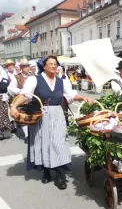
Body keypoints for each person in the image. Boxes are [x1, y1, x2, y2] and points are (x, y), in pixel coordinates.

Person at [10, 55, 93, 190]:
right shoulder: (34, 79)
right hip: (41, 114)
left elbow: (71, 94)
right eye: (51, 64)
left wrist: (83, 97)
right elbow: (25, 95)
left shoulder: (61, 81)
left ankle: (60, 175)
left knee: (59, 142)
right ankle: (46, 171)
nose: (54, 66)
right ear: (44, 66)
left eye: (55, 64)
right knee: (44, 143)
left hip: (57, 114)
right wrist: (13, 107)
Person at [8, 58, 33, 144]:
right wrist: (20, 91)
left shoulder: (33, 76)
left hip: (32, 100)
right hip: (21, 100)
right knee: (23, 118)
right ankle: (26, 135)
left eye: (28, 66)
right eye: (25, 67)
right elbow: (10, 88)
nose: (27, 68)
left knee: (32, 117)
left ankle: (32, 134)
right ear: (21, 67)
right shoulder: (16, 77)